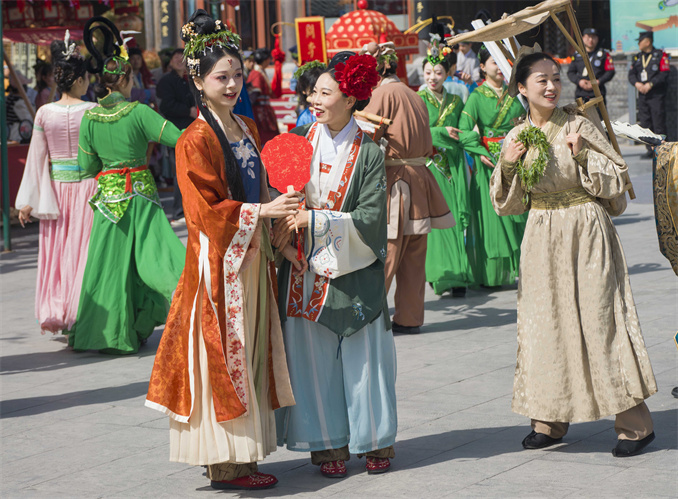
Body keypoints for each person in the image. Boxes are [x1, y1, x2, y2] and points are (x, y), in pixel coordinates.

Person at [146, 10, 299, 491]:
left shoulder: (247, 127)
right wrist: (263, 211)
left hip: (251, 258)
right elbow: (204, 212)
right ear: (198, 81)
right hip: (218, 265)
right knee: (222, 356)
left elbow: (263, 186)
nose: (232, 84)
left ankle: (242, 455)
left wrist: (281, 217)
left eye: (236, 74)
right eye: (221, 77)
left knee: (249, 353)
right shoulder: (193, 139)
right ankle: (225, 461)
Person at [492, 47, 657, 457]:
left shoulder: (579, 122)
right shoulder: (515, 136)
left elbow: (617, 179)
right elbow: (506, 205)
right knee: (545, 324)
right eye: (542, 80)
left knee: (602, 321)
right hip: (541, 234)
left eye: (555, 78)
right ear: (522, 88)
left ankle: (634, 425)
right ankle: (549, 420)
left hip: (586, 229)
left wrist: (582, 153)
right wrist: (508, 164)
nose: (551, 86)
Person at [273, 51, 397, 478]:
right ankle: (328, 446)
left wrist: (314, 219)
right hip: (303, 267)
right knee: (312, 361)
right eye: (313, 92)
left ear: (350, 99)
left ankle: (375, 439)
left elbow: (371, 217)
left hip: (355, 267)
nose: (314, 99)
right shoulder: (295, 141)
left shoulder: (370, 153)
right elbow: (279, 200)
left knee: (366, 360)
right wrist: (286, 239)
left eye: (325, 93)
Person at [66, 17, 186, 354]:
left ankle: (107, 332)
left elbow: (86, 167)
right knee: (159, 258)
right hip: (141, 198)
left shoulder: (90, 118)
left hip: (109, 200)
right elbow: (180, 139)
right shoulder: (138, 112)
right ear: (125, 80)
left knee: (109, 266)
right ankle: (194, 301)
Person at [359, 43, 454, 334]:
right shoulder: (414, 95)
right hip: (420, 178)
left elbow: (364, 136)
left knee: (387, 252)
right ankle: (409, 318)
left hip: (397, 179)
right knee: (414, 255)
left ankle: (369, 319)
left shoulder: (382, 94)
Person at [15, 34, 98, 334]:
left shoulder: (44, 113)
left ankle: (59, 309)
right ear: (79, 80)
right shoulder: (93, 111)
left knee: (59, 252)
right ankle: (83, 311)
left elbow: (36, 160)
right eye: (86, 77)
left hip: (56, 191)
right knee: (85, 250)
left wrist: (29, 201)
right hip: (89, 188)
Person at [459, 46, 527, 288]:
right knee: (493, 219)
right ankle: (493, 274)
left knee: (520, 213)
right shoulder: (477, 97)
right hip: (489, 163)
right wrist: (479, 152)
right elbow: (464, 131)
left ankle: (526, 267)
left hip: (517, 160)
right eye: (494, 62)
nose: (499, 67)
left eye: (502, 62)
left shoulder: (517, 93)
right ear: (482, 67)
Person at [417, 37, 474, 297]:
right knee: (435, 224)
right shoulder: (417, 100)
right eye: (428, 72)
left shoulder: (456, 100)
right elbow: (414, 133)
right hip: (430, 165)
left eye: (438, 72)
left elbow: (463, 130)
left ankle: (459, 275)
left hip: (453, 165)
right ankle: (439, 274)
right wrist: (440, 132)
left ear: (448, 73)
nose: (433, 77)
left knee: (454, 219)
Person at [157, 48, 197, 221]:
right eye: (176, 57)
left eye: (183, 56)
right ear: (171, 61)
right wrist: (188, 111)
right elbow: (166, 106)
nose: (180, 59)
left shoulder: (191, 80)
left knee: (195, 170)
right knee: (181, 171)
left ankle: (193, 209)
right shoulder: (166, 81)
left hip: (194, 129)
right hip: (176, 131)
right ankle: (179, 211)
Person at [628, 31, 670, 158]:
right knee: (645, 123)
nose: (639, 44)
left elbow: (664, 73)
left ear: (647, 42)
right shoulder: (637, 57)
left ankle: (662, 150)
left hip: (656, 95)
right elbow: (631, 74)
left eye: (640, 41)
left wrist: (650, 84)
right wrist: (637, 84)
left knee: (658, 122)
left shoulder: (660, 55)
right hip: (643, 95)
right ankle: (649, 150)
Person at [567, 28, 615, 106]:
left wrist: (599, 81)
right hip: (581, 93)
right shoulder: (577, 55)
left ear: (597, 39)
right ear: (583, 38)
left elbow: (610, 71)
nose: (591, 40)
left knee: (600, 113)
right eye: (588, 37)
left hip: (598, 93)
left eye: (593, 37)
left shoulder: (603, 54)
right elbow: (570, 72)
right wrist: (579, 81)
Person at [246, 47, 279, 144]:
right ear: (266, 60)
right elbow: (254, 93)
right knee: (264, 138)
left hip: (264, 110)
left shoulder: (260, 72)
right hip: (260, 112)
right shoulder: (257, 74)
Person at [293, 60, 324, 126]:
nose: (318, 96)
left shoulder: (332, 113)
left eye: (323, 92)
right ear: (304, 90)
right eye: (314, 91)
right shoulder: (304, 118)